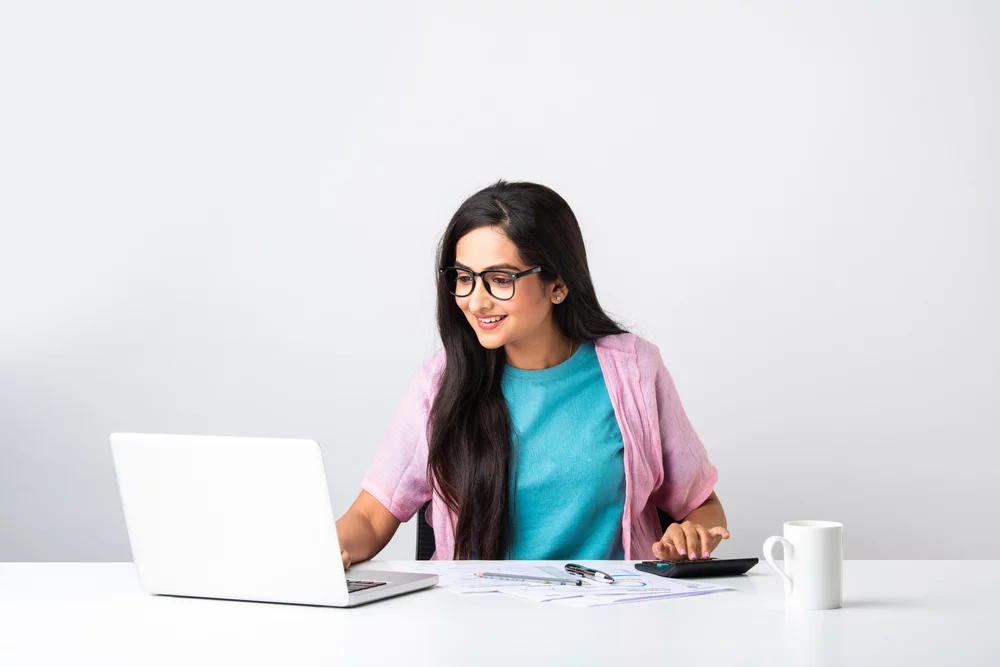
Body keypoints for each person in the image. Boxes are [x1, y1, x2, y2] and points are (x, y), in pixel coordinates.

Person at [335, 180, 728, 566]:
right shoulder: (441, 382)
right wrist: (318, 553)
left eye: (500, 280)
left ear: (557, 284)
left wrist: (691, 534)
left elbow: (703, 507)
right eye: (465, 278)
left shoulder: (635, 371)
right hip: (474, 619)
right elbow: (370, 518)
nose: (475, 300)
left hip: (613, 616)